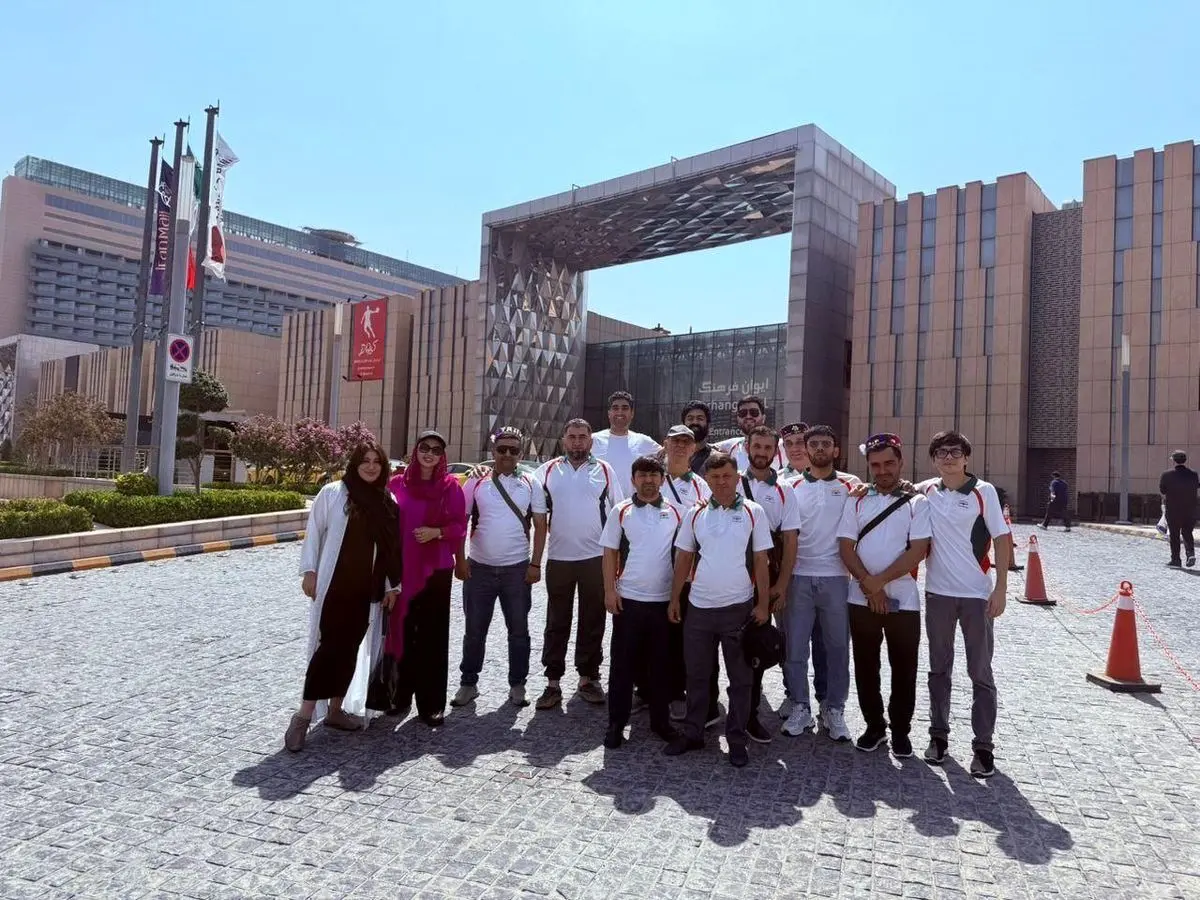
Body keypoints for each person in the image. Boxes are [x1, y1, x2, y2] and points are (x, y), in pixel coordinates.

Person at [287, 442, 402, 752]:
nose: (370, 466)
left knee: (350, 650)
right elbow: (315, 532)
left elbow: (391, 549)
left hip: (366, 591)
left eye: (376, 461)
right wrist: (309, 571)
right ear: (354, 464)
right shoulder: (333, 493)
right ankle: (303, 716)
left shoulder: (387, 501)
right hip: (334, 587)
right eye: (365, 461)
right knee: (327, 650)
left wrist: (392, 586)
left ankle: (336, 710)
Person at [665, 452, 772, 767]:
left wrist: (763, 604)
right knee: (697, 675)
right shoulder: (695, 513)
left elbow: (762, 560)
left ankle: (736, 738)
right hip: (699, 607)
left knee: (741, 679)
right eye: (715, 477)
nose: (722, 482)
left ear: (737, 477)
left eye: (727, 476)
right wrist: (674, 599)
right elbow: (684, 558)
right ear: (707, 480)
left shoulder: (754, 511)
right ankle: (693, 733)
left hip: (739, 609)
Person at [917, 430, 1011, 778]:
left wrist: (1001, 589)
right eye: (941, 452)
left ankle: (983, 746)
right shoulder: (927, 491)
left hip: (976, 595)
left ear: (967, 457)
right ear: (933, 459)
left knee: (980, 671)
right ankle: (938, 736)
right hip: (938, 594)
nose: (949, 457)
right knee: (938, 669)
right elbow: (895, 491)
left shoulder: (984, 492)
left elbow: (1002, 539)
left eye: (955, 452)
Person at [837, 433, 932, 758]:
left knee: (904, 667)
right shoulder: (857, 499)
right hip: (860, 596)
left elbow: (918, 550)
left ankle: (901, 730)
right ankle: (874, 725)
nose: (883, 470)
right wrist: (868, 583)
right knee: (866, 665)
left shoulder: (917, 502)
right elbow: (845, 547)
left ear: (901, 462)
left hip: (903, 598)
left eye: (889, 463)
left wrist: (878, 583)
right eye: (875, 465)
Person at [531, 418, 624, 709]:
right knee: (556, 621)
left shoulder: (605, 470)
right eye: (572, 436)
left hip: (595, 559)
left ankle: (588, 678)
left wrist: (618, 560)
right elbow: (525, 492)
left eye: (583, 436)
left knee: (592, 620)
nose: (577, 442)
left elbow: (618, 515)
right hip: (559, 558)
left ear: (591, 441)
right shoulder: (546, 471)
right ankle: (552, 682)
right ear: (564, 440)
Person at [382, 429, 468, 727]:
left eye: (436, 449)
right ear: (415, 450)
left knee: (432, 636)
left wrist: (437, 532)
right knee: (402, 632)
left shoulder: (450, 487)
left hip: (436, 570)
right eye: (424, 448)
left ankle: (431, 704)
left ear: (442, 455)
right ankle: (399, 696)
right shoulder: (397, 484)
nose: (429, 453)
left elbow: (460, 526)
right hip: (403, 569)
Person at [781, 424, 860, 742]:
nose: (819, 449)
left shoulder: (852, 485)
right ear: (806, 448)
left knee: (838, 648)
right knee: (795, 648)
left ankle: (834, 708)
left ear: (835, 450)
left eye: (826, 444)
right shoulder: (790, 486)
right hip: (799, 576)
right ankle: (800, 705)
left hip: (837, 578)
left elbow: (889, 492)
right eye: (813, 444)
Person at [453, 426, 541, 709]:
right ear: (493, 451)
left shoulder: (531, 482)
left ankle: (518, 684)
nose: (507, 454)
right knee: (474, 630)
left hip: (517, 569)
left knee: (519, 630)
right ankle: (468, 683)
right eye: (502, 449)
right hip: (479, 569)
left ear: (521, 453)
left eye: (513, 450)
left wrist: (536, 563)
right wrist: (460, 560)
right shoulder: (476, 481)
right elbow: (460, 522)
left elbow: (541, 525)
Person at [600, 455, 682, 749]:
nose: (648, 480)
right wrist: (610, 591)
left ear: (662, 479)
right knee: (622, 665)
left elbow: (684, 555)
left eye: (654, 475)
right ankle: (616, 723)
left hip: (662, 602)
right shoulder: (621, 511)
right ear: (633, 479)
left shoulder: (677, 511)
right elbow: (609, 552)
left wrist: (676, 598)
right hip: (629, 601)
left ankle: (661, 722)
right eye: (642, 475)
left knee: (661, 665)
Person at [736, 425, 800, 744]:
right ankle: (715, 709)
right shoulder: (731, 481)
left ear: (776, 452)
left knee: (758, 645)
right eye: (757, 446)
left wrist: (781, 585)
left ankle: (750, 714)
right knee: (726, 644)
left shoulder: (785, 489)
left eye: (767, 448)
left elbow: (790, 541)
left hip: (767, 575)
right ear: (747, 447)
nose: (761, 452)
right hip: (732, 574)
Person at [659, 423, 716, 724]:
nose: (680, 447)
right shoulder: (651, 479)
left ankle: (678, 693)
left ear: (694, 449)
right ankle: (650, 690)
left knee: (682, 636)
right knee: (655, 635)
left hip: (688, 574)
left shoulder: (702, 487)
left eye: (686, 442)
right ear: (665, 444)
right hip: (653, 571)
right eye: (675, 441)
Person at [776, 421, 826, 721]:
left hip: (822, 573)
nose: (795, 448)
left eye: (799, 442)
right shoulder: (777, 482)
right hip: (789, 575)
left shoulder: (834, 479)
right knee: (789, 640)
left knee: (822, 640)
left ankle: (824, 699)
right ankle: (793, 694)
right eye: (789, 443)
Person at [591, 391, 662, 497]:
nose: (620, 412)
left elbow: (667, 456)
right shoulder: (592, 440)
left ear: (632, 413)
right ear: (609, 413)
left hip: (632, 505)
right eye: (615, 408)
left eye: (624, 408)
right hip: (600, 504)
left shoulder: (643, 441)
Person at [716, 394, 784, 471]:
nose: (748, 416)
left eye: (754, 412)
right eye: (743, 413)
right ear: (738, 419)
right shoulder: (729, 447)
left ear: (763, 418)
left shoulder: (783, 446)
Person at [1160, 450, 1198, 568]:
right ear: (1185, 460)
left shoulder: (1166, 475)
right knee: (1187, 532)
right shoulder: (1194, 474)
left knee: (1174, 535)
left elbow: (1162, 490)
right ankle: (1190, 554)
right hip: (1190, 509)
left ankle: (1176, 560)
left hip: (1173, 510)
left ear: (1174, 461)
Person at [682, 400, 715, 476]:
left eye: (700, 419)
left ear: (708, 423)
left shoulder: (715, 458)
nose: (695, 422)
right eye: (690, 419)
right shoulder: (671, 457)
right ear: (683, 423)